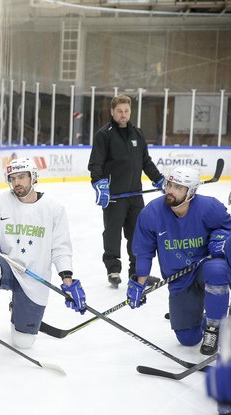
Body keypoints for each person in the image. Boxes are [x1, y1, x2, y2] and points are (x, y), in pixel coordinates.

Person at [0, 157, 86, 361]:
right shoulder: (1, 202)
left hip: (33, 276)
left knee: (23, 343)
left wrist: (67, 279)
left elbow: (61, 248)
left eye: (22, 177)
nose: (17, 183)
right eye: (13, 178)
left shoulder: (54, 208)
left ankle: (18, 307)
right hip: (6, 265)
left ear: (34, 177)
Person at [128, 166, 231, 356]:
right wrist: (140, 281)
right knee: (188, 338)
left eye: (178, 187)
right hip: (179, 279)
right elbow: (144, 251)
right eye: (170, 185)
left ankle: (213, 328)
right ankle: (205, 317)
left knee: (218, 269)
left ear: (191, 192)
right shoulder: (151, 213)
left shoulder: (209, 207)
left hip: (204, 268)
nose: (170, 190)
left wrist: (222, 239)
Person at [88, 94, 165, 288]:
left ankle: (138, 273)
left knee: (138, 235)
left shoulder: (137, 134)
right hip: (114, 196)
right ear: (112, 112)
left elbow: (145, 161)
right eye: (120, 111)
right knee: (112, 233)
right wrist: (99, 184)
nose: (123, 115)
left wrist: (159, 179)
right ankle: (113, 269)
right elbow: (95, 164)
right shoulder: (103, 135)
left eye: (126, 111)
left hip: (134, 196)